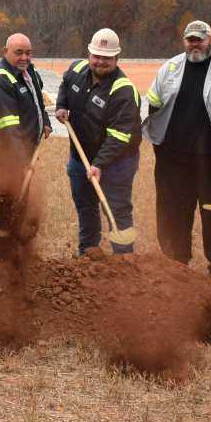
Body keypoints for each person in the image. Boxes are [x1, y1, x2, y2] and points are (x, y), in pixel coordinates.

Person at [143, 21, 211, 276]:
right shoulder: (170, 68)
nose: (195, 43)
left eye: (200, 39)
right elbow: (154, 105)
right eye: (190, 39)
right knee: (173, 214)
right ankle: (175, 265)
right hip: (174, 161)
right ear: (184, 40)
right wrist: (161, 146)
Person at [54, 29, 141, 255]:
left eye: (107, 57)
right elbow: (65, 84)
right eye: (96, 56)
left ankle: (122, 262)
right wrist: (62, 104)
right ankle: (89, 256)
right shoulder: (77, 69)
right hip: (80, 158)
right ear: (89, 54)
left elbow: (119, 137)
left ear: (116, 59)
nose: (101, 62)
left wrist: (99, 163)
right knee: (86, 209)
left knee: (117, 212)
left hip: (116, 165)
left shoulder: (123, 91)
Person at [0, 33, 52, 262]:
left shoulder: (29, 72)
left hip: (22, 155)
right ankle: (1, 254)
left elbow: (39, 100)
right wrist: (22, 161)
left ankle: (14, 250)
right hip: (3, 159)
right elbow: (9, 128)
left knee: (19, 205)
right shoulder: (0, 81)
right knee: (5, 206)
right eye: (18, 52)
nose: (24, 57)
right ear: (5, 51)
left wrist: (46, 123)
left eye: (28, 52)